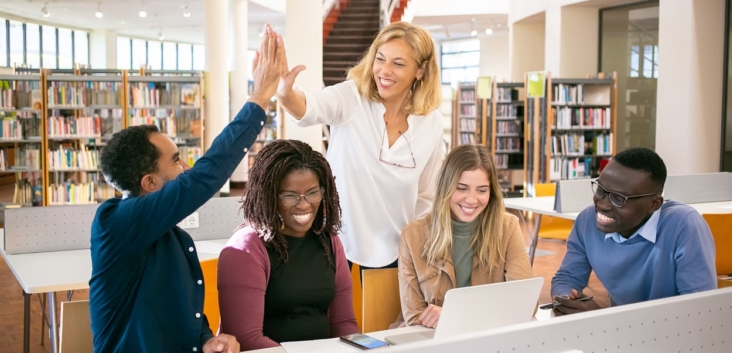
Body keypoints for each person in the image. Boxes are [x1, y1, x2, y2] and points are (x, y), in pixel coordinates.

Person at [88, 26, 283, 353]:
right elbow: (204, 177)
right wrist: (260, 96)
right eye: (177, 160)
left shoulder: (172, 236)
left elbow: (182, 311)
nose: (187, 167)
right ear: (149, 183)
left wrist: (206, 340)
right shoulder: (115, 222)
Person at [265, 21, 445, 269]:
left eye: (398, 63)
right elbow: (309, 108)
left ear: (421, 71)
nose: (384, 70)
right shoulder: (352, 98)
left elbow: (428, 196)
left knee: (385, 310)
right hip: (337, 246)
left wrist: (416, 248)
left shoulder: (431, 123)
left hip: (398, 253)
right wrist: (285, 93)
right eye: (380, 59)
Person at [217, 139, 359, 351]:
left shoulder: (329, 241)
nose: (304, 204)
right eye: (290, 196)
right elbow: (246, 339)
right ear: (269, 196)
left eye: (312, 192)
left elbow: (343, 323)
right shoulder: (246, 248)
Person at [551, 147, 717, 315]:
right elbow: (567, 278)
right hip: (622, 334)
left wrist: (602, 318)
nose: (602, 204)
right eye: (601, 190)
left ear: (654, 204)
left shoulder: (684, 225)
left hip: (674, 335)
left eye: (618, 198)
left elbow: (698, 311)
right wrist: (566, 298)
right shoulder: (587, 220)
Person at [396, 144, 534, 328]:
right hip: (431, 341)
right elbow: (414, 318)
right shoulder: (412, 236)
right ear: (446, 187)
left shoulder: (508, 228)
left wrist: (454, 315)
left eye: (482, 190)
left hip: (488, 338)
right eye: (462, 188)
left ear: (491, 192)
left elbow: (525, 303)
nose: (471, 199)